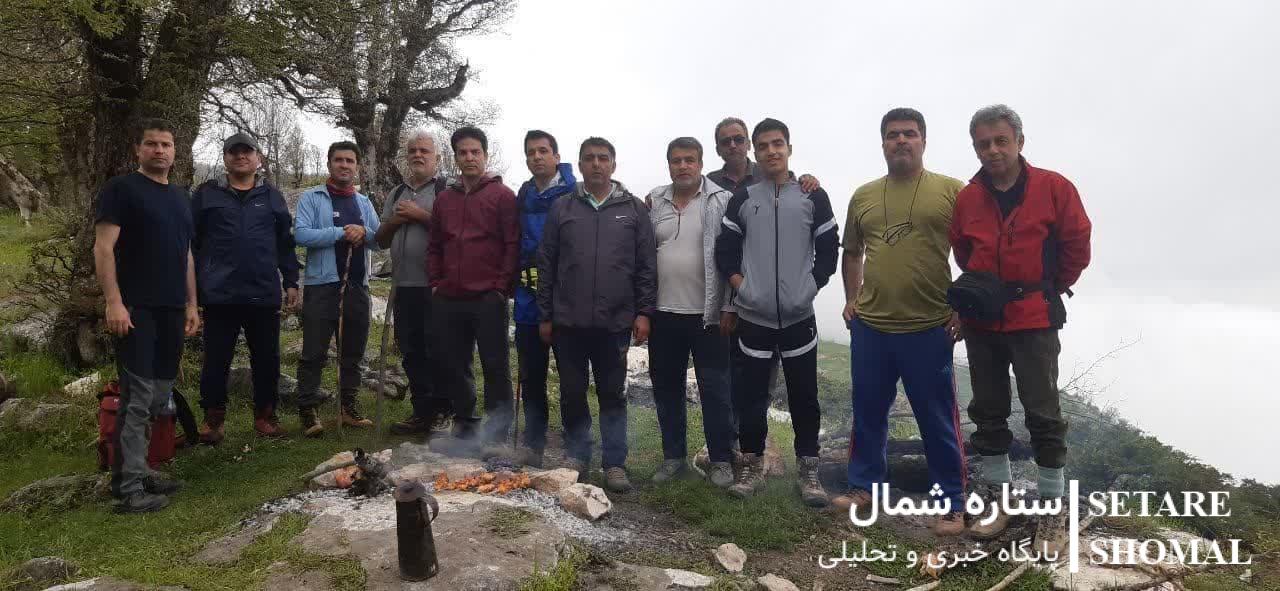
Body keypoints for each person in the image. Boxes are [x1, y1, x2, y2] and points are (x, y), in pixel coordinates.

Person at [949, 104, 1092, 553]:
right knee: (988, 409)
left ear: (1019, 142)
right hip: (982, 320)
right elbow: (962, 250)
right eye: (983, 144)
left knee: (1043, 412)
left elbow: (1077, 246)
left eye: (1001, 141)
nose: (992, 150)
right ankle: (999, 498)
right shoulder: (969, 197)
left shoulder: (1054, 188)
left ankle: (1052, 508)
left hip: (1034, 317)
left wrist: (1047, 288)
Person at [832, 108, 968, 536]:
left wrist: (963, 307)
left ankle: (952, 503)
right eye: (893, 135)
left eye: (910, 133)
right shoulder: (865, 195)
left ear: (924, 140)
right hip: (872, 326)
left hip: (929, 325)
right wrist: (851, 298)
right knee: (868, 411)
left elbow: (974, 254)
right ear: (883, 143)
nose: (901, 141)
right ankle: (863, 487)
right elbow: (852, 251)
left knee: (937, 418)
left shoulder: (952, 191)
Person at [714, 118, 838, 507]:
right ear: (755, 151)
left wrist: (810, 287)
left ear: (789, 148)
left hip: (799, 317)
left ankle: (809, 470)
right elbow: (726, 250)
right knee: (751, 398)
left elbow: (829, 249)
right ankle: (750, 467)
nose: (771, 151)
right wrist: (743, 288)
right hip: (754, 318)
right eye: (764, 145)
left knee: (805, 397)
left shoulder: (813, 196)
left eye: (778, 143)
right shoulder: (744, 198)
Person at [537, 137, 656, 493]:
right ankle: (577, 455)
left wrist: (644, 312)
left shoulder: (633, 209)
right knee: (572, 392)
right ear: (580, 165)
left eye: (603, 158)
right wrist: (546, 315)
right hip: (568, 322)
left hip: (615, 322)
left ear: (613, 165)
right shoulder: (562, 207)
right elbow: (547, 263)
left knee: (612, 395)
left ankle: (615, 463)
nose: (596, 164)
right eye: (589, 158)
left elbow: (646, 266)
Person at [93, 118, 198, 513]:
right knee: (137, 397)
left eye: (165, 144)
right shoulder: (121, 189)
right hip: (135, 308)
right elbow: (104, 248)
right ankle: (128, 487)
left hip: (172, 309)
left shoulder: (181, 197)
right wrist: (114, 302)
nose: (159, 150)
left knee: (158, 395)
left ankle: (141, 468)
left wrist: (192, 303)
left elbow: (186, 254)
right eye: (151, 144)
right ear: (138, 149)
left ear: (174, 152)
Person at [191, 132, 300, 442]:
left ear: (258, 158)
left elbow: (285, 243)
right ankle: (213, 420)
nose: (241, 156)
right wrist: (193, 290)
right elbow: (192, 244)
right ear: (225, 158)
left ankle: (266, 416)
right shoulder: (206, 195)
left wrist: (291, 281)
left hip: (262, 292)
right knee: (216, 360)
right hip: (219, 293)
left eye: (247, 151)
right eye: (234, 152)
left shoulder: (272, 197)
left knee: (267, 359)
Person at [642, 137, 736, 488]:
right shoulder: (655, 201)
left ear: (701, 163)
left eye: (689, 160)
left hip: (709, 315)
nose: (683, 166)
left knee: (716, 391)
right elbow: (644, 253)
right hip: (664, 313)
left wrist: (729, 305)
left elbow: (733, 255)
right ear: (668, 164)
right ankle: (673, 458)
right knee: (666, 389)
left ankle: (721, 460)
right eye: (676, 160)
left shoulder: (722, 200)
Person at [427, 126, 519, 451]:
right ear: (455, 158)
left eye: (475, 152)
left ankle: (497, 433)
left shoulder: (503, 196)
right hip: (449, 297)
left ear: (485, 155)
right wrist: (435, 283)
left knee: (495, 365)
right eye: (463, 153)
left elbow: (512, 244)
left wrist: (501, 287)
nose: (469, 158)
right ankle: (465, 425)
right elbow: (435, 245)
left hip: (488, 297)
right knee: (455, 363)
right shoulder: (444, 199)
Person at [293, 141, 382, 436]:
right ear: (329, 163)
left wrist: (364, 231)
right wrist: (341, 232)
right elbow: (301, 235)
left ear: (357, 166)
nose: (344, 165)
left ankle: (348, 407)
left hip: (358, 286)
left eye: (350, 160)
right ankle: (308, 409)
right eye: (339, 160)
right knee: (314, 351)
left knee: (353, 350)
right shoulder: (312, 197)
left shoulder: (363, 202)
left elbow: (379, 239)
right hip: (321, 285)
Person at [378, 129, 459, 438]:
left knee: (438, 350)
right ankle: (422, 412)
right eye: (412, 150)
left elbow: (456, 232)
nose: (417, 155)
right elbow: (381, 239)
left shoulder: (446, 189)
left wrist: (420, 215)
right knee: (411, 352)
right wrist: (396, 220)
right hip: (403, 285)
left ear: (437, 157)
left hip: (437, 287)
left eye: (424, 150)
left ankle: (444, 411)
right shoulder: (397, 192)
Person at [512, 130, 577, 467]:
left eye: (543, 151)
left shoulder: (574, 193)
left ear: (556, 156)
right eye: (530, 152)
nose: (536, 157)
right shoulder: (524, 193)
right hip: (528, 298)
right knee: (532, 376)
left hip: (567, 300)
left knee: (571, 378)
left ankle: (576, 449)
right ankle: (533, 444)